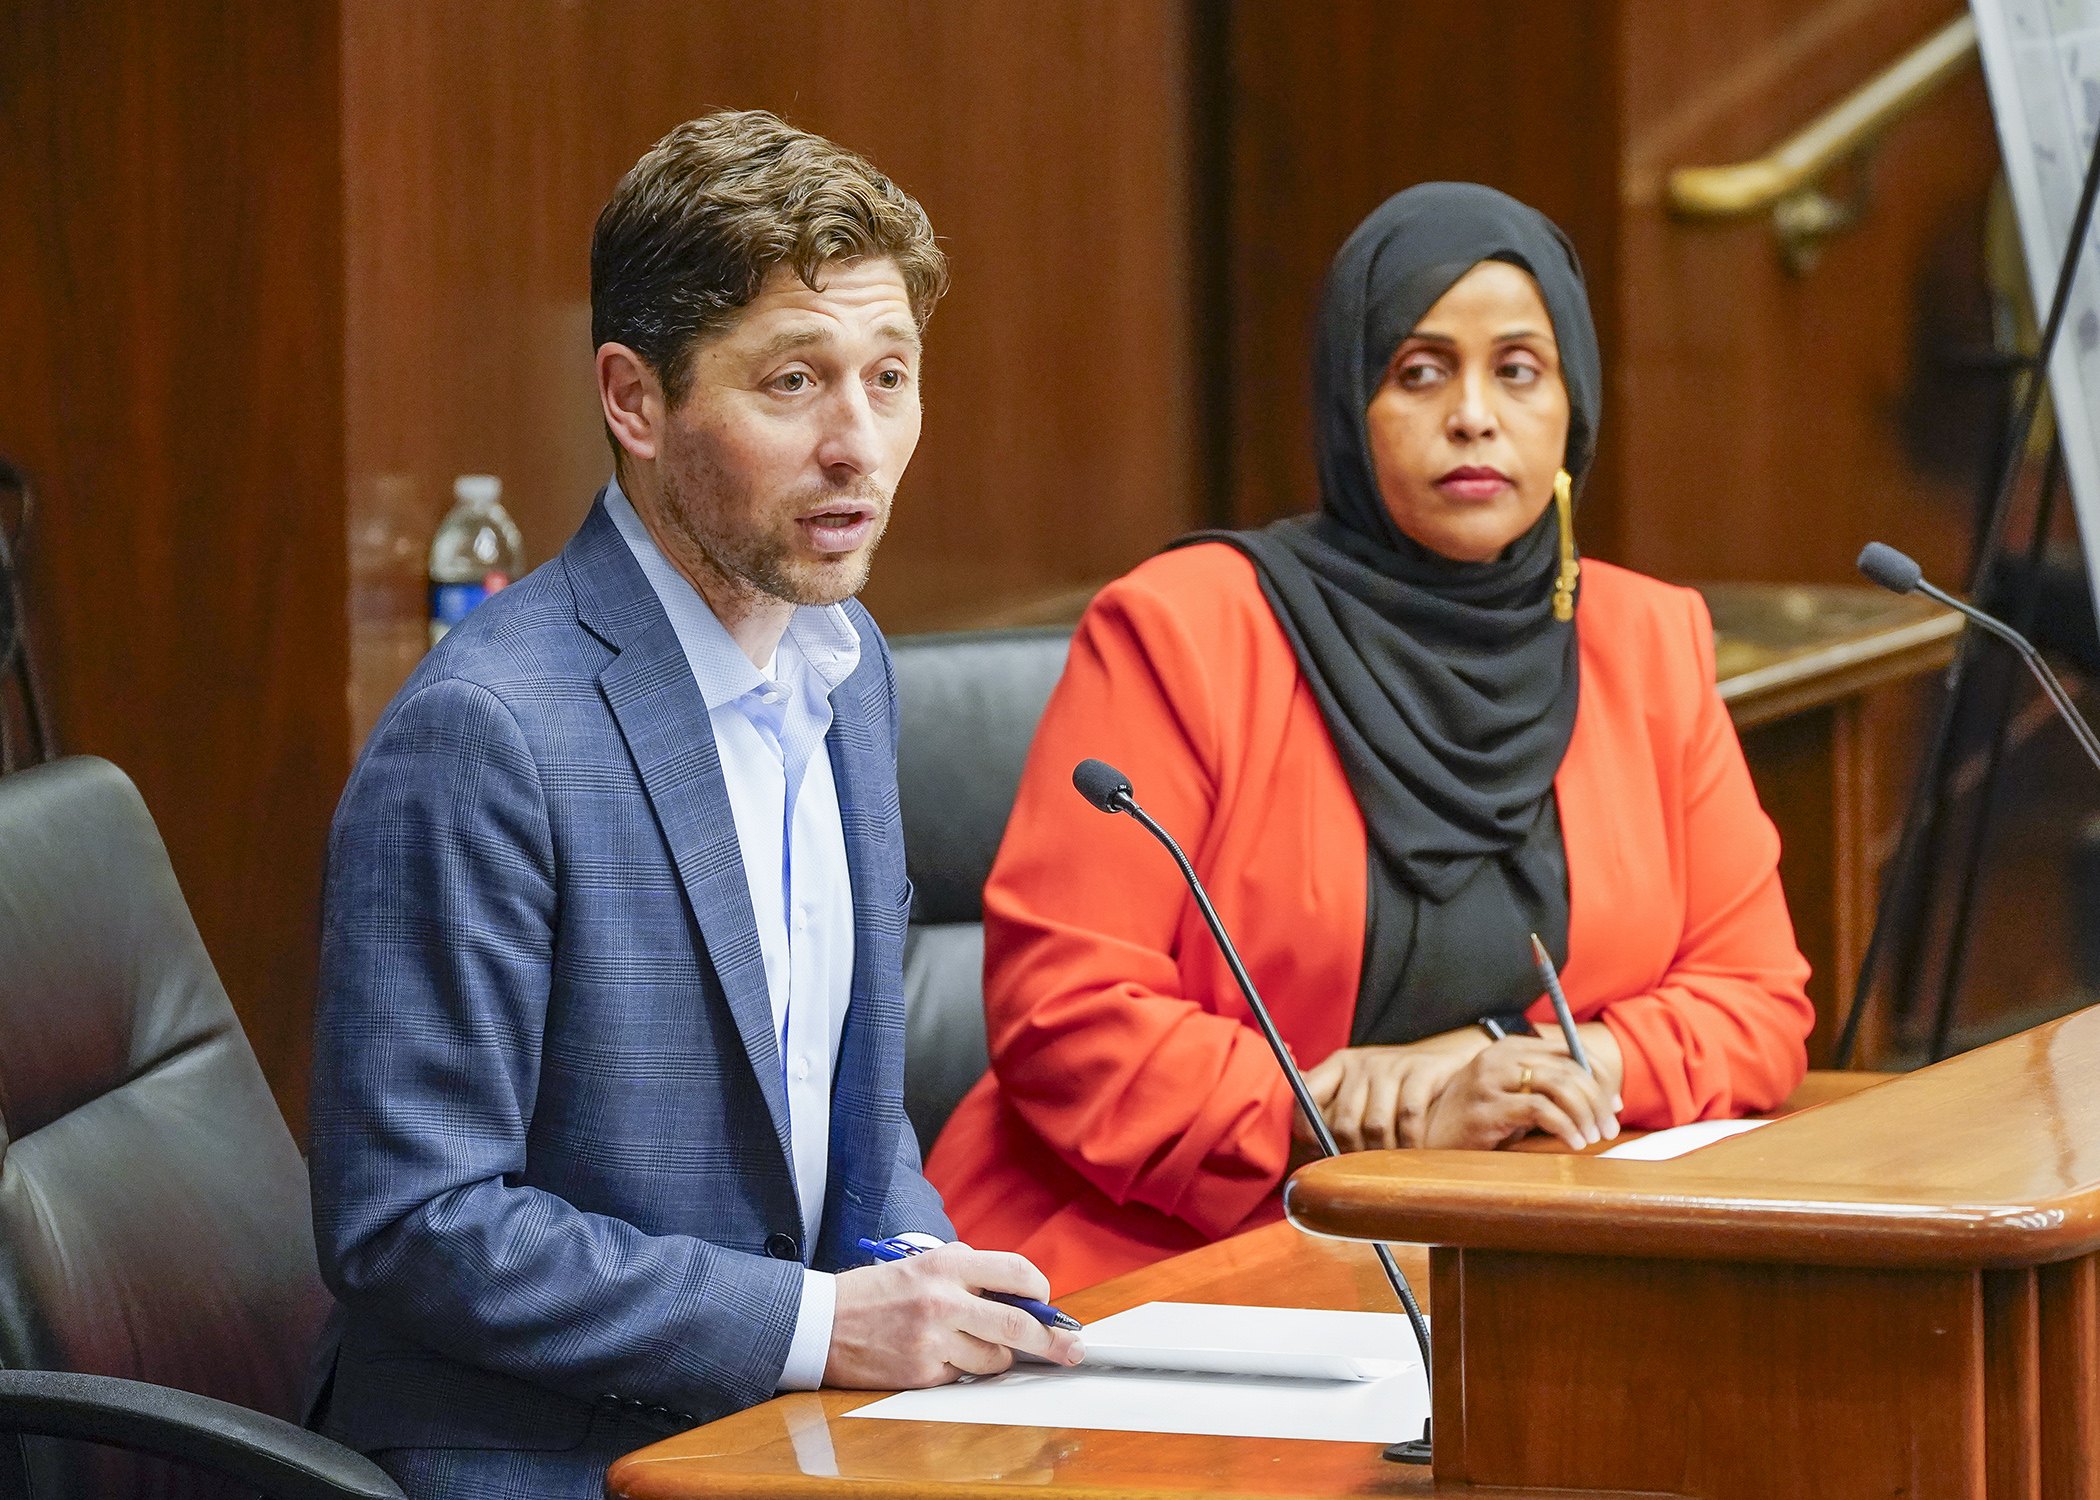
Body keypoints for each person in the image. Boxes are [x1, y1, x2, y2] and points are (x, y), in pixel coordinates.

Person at [309, 111, 1080, 1500]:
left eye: (890, 377)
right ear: (634, 400)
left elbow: (858, 1112)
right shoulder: (489, 734)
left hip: (781, 1433)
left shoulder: (849, 673)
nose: (861, 446)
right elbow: (415, 1226)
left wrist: (918, 1273)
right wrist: (817, 1328)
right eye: (793, 382)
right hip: (539, 1449)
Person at [925, 183, 1816, 1297]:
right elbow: (1071, 1018)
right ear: (1353, 403)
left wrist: (1533, 1066)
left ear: (1572, 407)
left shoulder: (1645, 639)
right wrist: (1362, 1105)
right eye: (1421, 370)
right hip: (1183, 1259)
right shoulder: (1186, 630)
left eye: (1519, 369)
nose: (1475, 415)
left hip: (1539, 1247)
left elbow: (1755, 997)